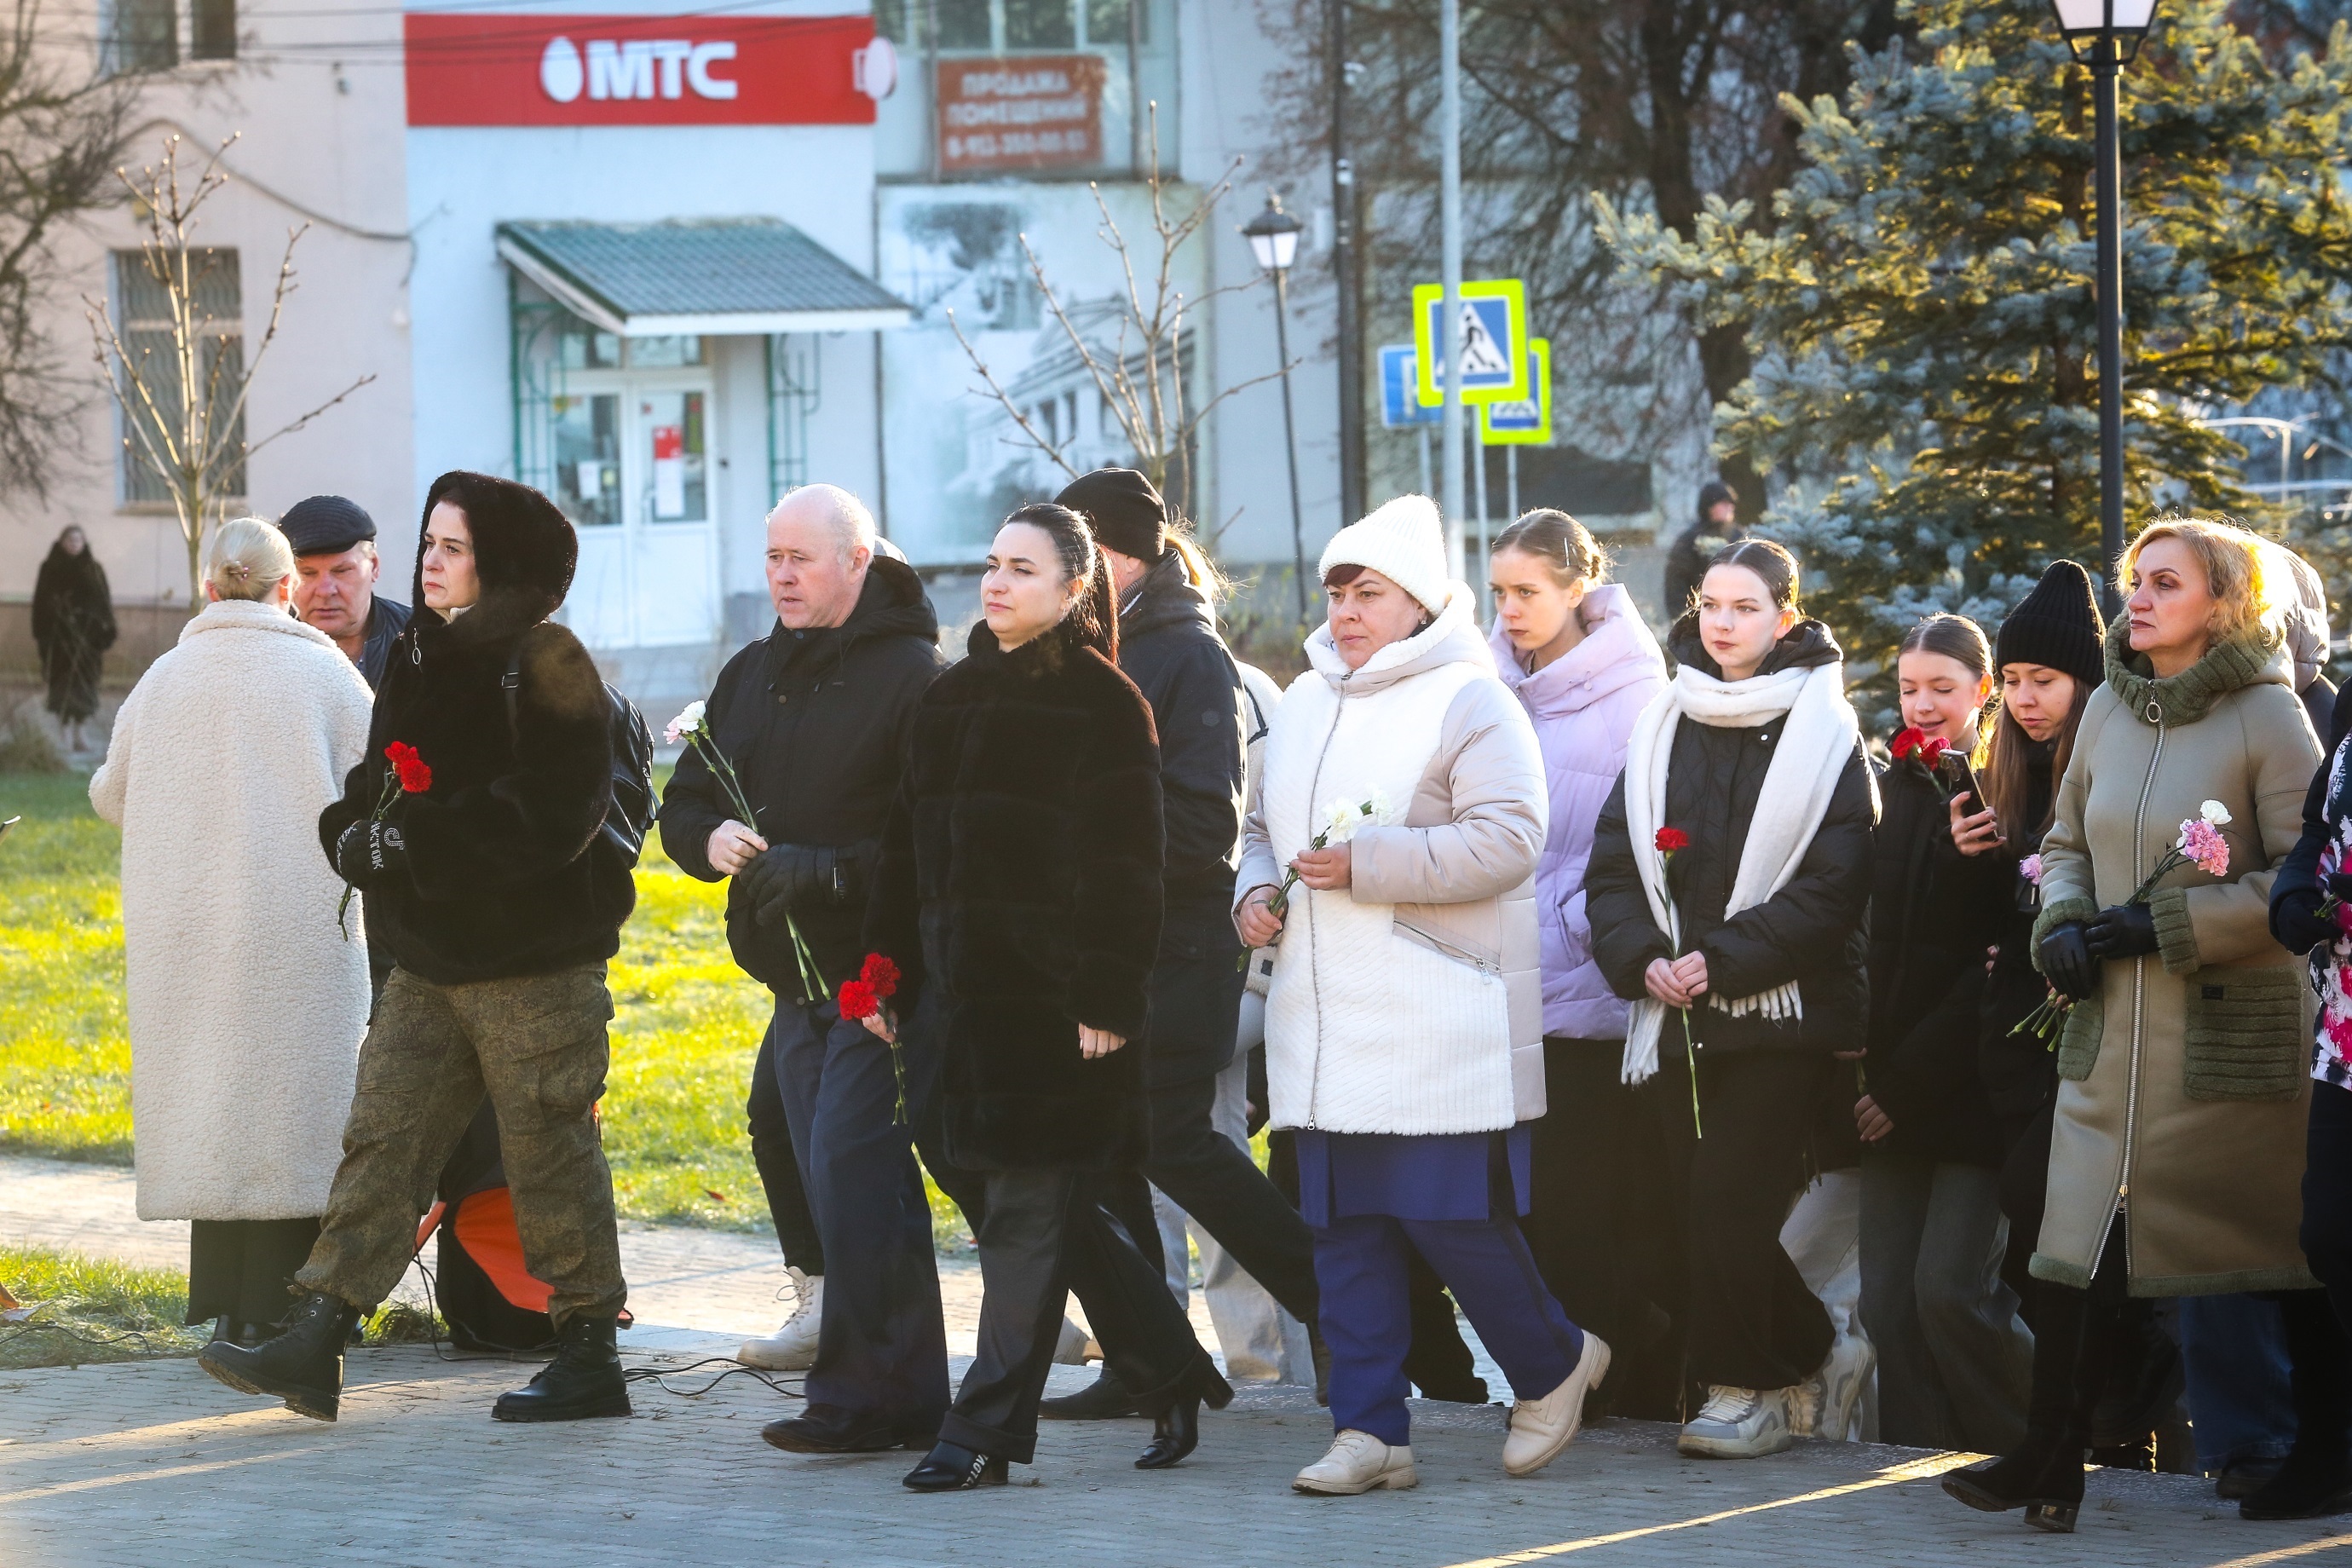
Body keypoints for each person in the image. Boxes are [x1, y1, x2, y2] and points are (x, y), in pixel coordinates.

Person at [199, 470, 637, 1426]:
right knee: (384, 1139)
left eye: (453, 547)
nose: (431, 562)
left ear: (500, 563)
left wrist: (409, 843)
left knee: (548, 1153)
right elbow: (378, 782)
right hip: (430, 959)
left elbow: (557, 812)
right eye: (429, 542)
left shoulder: (548, 658)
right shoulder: (420, 654)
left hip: (534, 965)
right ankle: (317, 1334)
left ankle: (589, 1351)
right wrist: (349, 833)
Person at [1943, 516, 2342, 1531]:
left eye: (2167, 582)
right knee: (2070, 1245)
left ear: (2224, 600)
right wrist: (2065, 923)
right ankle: (2051, 1456)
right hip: (2109, 1029)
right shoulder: (2113, 708)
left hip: (2220, 1037)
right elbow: (2065, 841)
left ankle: (2325, 1451)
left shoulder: (2269, 714)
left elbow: (2302, 880)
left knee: (2276, 1255)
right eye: (2137, 579)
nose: (2141, 598)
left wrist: (2163, 924)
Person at [1239, 493, 1604, 1497]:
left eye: (1368, 593)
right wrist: (1253, 892)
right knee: (1344, 1231)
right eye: (1336, 593)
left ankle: (1554, 1363)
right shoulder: (1304, 700)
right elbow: (1261, 830)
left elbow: (1510, 839)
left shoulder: (1470, 698)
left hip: (1434, 1013)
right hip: (1322, 1016)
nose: (1346, 611)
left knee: (1451, 1221)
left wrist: (1369, 861)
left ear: (1420, 601)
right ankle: (1371, 1431)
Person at [862, 502, 1226, 1490]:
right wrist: (881, 974)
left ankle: (978, 1430)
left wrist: (1107, 996)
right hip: (950, 1014)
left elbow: (1128, 867)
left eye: (1022, 568)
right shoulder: (947, 697)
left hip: (1056, 1016)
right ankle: (1171, 1366)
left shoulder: (1106, 703)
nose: (996, 581)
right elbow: (902, 851)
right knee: (1032, 1208)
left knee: (1029, 1217)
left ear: (1074, 590)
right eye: (993, 563)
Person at [655, 483, 948, 1439]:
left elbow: (934, 841)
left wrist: (826, 872)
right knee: (837, 1173)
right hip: (792, 976)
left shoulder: (916, 677)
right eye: (773, 557)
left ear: (858, 562)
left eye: (802, 559)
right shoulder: (752, 672)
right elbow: (683, 802)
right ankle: (893, 1394)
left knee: (857, 1171)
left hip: (875, 975)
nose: (782, 576)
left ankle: (871, 1396)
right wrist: (710, 839)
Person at [1035, 465, 1321, 1421]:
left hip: (1173, 948)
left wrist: (1076, 834)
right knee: (1110, 1156)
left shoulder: (1186, 658)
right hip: (1100, 949)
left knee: (1175, 1144)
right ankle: (1145, 1358)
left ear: (1113, 559)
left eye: (1070, 554)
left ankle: (1343, 1306)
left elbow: (1204, 825)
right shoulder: (1088, 652)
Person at [1585, 537, 1876, 1461]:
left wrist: (1720, 960)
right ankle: (1818, 1350)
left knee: (1727, 1205)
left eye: (1745, 607)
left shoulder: (1826, 731)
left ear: (1786, 617)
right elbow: (1613, 868)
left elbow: (1834, 888)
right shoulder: (1663, 718)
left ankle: (1743, 1391)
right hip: (1672, 1011)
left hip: (1781, 1016)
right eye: (1710, 605)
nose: (1722, 623)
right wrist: (1644, 959)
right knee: (1686, 1210)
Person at [89, 517, 373, 1346]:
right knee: (295, 1115)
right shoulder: (327, 676)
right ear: (288, 589)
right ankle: (291, 1308)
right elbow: (382, 782)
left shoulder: (164, 678)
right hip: (301, 935)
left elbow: (110, 794)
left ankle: (224, 1306)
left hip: (189, 935)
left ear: (209, 587)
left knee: (216, 1108)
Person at [1486, 510, 1673, 1417]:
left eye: (1528, 590)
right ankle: (1573, 1374)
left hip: (1588, 992)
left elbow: (1646, 848)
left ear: (1577, 587)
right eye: (1499, 592)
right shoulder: (1486, 682)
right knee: (1516, 1210)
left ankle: (1627, 1378)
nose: (1510, 610)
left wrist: (1588, 933)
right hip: (1496, 988)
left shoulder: (1637, 694)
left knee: (1579, 1208)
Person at [1853, 613, 2034, 1454]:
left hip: (1967, 1089)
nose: (1922, 705)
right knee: (1886, 1301)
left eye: (1942, 688)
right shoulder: (1888, 788)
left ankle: (2037, 1443)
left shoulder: (2002, 793)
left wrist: (1904, 1084)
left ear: (1983, 690)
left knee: (1952, 1293)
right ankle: (1911, 1460)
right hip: (1886, 1082)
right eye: (1908, 688)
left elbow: (1991, 966)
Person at [281, 495, 412, 690]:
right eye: (308, 573)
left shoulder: (422, 639)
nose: (325, 591)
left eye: (341, 571)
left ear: (374, 566)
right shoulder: (265, 650)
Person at [32, 525, 116, 752]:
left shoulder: (93, 569)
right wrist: (44, 632)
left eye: (78, 540)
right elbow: (40, 603)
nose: (74, 544)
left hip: (87, 641)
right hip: (59, 641)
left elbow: (104, 602)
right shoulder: (50, 569)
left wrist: (104, 629)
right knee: (61, 684)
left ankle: (81, 732)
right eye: (70, 540)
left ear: (84, 543)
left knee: (85, 685)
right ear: (62, 542)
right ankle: (65, 732)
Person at [1660, 481, 1736, 625]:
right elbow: (1676, 584)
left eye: (1731, 503)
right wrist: (1685, 620)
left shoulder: (1738, 537)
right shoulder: (1690, 541)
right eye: (1724, 502)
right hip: (1699, 617)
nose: (1730, 507)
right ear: (1709, 507)